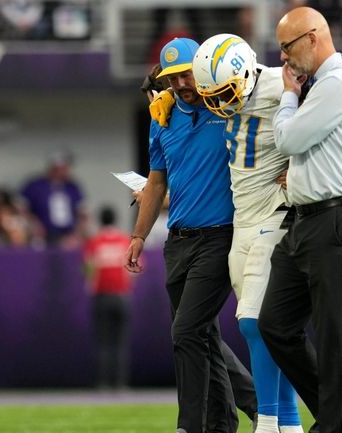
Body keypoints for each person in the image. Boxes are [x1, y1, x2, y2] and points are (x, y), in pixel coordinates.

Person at [257, 7, 342, 433]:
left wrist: (285, 97)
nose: (283, 58)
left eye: (287, 46)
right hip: (306, 222)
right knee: (274, 325)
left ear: (314, 37)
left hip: (339, 221)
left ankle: (341, 425)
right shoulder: (322, 85)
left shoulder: (339, 81)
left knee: (336, 339)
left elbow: (290, 138)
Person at [125, 38, 256, 433]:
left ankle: (190, 426)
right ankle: (227, 421)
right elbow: (157, 180)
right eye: (173, 77)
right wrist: (137, 236)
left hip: (221, 237)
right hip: (178, 241)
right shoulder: (162, 116)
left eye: (187, 74)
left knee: (186, 331)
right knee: (202, 335)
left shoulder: (231, 105)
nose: (182, 83)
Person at [191, 34, 303, 433]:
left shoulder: (280, 82)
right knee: (270, 329)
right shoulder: (227, 97)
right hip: (243, 219)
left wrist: (304, 167)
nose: (219, 103)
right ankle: (288, 424)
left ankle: (269, 422)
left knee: (255, 322)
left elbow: (329, 118)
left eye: (224, 92)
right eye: (213, 95)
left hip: (278, 210)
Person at [82, 206, 133, 389]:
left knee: (103, 340)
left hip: (102, 296)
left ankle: (103, 382)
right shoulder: (124, 241)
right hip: (121, 296)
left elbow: (89, 268)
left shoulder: (95, 242)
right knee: (120, 341)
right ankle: (120, 383)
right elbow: (135, 268)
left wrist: (92, 285)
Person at [20, 149, 87, 247]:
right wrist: (33, 224)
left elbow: (83, 214)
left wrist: (76, 234)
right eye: (64, 167)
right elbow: (21, 208)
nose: (67, 170)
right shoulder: (36, 185)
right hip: (43, 236)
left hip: (68, 236)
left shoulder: (72, 187)